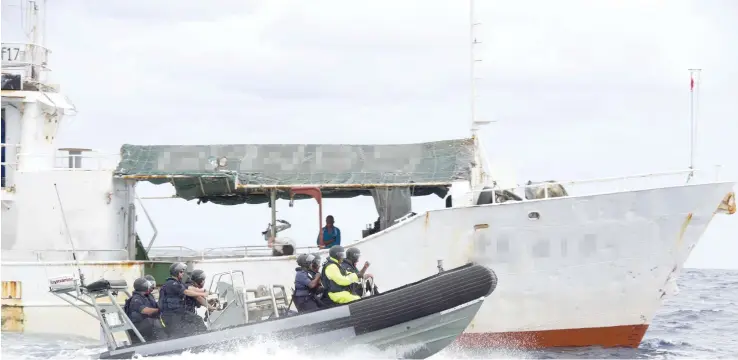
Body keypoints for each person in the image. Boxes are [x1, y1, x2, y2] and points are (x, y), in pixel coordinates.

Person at [158, 262, 209, 338]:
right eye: (181, 272)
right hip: (171, 315)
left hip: (179, 313)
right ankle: (205, 338)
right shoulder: (171, 283)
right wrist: (203, 294)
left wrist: (204, 291)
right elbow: (186, 292)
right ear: (176, 272)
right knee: (181, 332)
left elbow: (190, 288)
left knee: (196, 320)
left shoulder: (178, 283)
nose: (183, 274)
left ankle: (202, 337)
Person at [124, 276, 167, 343]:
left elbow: (157, 306)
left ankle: (168, 338)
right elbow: (145, 310)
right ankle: (162, 341)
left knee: (164, 320)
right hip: (138, 326)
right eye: (148, 285)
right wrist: (159, 310)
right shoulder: (136, 299)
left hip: (145, 324)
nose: (150, 286)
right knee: (151, 322)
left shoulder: (148, 296)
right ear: (143, 286)